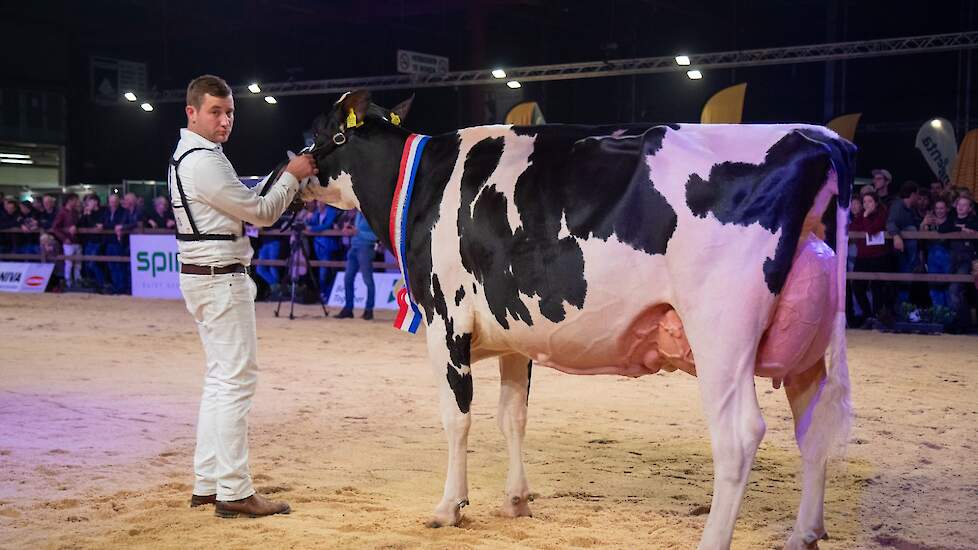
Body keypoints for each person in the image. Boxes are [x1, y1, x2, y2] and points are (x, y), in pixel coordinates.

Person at [170, 74, 316, 518]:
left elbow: (243, 203)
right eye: (216, 111)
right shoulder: (203, 160)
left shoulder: (193, 156)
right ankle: (233, 490)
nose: (225, 120)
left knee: (220, 380)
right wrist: (291, 178)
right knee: (235, 382)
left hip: (207, 276)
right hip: (220, 278)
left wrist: (280, 187)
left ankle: (209, 482)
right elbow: (259, 212)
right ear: (192, 112)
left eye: (230, 111)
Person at [849, 192, 893, 328]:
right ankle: (868, 315)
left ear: (876, 203)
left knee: (877, 288)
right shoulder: (861, 215)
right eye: (865, 202)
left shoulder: (882, 214)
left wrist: (866, 217)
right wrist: (864, 218)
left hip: (878, 256)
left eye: (870, 202)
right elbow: (853, 228)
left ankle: (877, 317)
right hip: (862, 257)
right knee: (857, 286)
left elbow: (872, 230)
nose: (866, 205)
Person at [937, 195, 978, 332]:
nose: (961, 207)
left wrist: (963, 229)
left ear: (970, 208)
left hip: (967, 259)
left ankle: (962, 323)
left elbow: (974, 228)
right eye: (959, 204)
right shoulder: (952, 219)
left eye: (964, 205)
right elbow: (942, 229)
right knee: (956, 291)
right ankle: (962, 322)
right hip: (953, 258)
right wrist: (961, 229)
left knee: (955, 289)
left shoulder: (974, 220)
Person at [336, 209, 378, 320]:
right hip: (354, 247)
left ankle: (369, 310)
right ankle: (348, 309)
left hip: (365, 248)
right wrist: (350, 231)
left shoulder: (373, 215)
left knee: (367, 280)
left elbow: (376, 236)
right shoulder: (358, 214)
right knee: (348, 278)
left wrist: (357, 232)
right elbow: (357, 231)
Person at [886, 181, 923, 307]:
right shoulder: (898, 206)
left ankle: (905, 308)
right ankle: (902, 308)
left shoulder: (911, 210)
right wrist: (896, 236)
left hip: (910, 253)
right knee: (903, 279)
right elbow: (890, 223)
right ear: (912, 194)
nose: (918, 198)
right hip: (901, 251)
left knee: (908, 279)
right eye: (917, 194)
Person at [304, 200, 341, 300]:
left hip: (328, 245)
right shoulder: (316, 212)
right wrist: (306, 220)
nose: (319, 204)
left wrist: (311, 229)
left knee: (324, 271)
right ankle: (323, 293)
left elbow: (327, 226)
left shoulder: (331, 211)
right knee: (321, 269)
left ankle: (324, 293)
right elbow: (308, 223)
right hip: (318, 244)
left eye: (321, 202)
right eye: (318, 202)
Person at [98, 193, 131, 294]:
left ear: (118, 201)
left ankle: (122, 288)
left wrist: (107, 226)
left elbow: (122, 224)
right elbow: (103, 223)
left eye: (115, 201)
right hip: (108, 242)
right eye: (111, 201)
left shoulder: (124, 212)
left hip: (119, 243)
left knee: (119, 266)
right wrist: (104, 225)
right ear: (109, 202)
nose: (113, 203)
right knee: (111, 266)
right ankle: (116, 287)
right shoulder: (106, 212)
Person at [921, 198, 952, 307]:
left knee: (948, 286)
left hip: (948, 257)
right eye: (937, 208)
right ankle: (938, 313)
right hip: (932, 257)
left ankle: (950, 316)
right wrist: (923, 223)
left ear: (947, 209)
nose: (939, 211)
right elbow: (921, 236)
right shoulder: (930, 222)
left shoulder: (951, 221)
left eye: (942, 208)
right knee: (934, 286)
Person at [51, 193, 82, 288]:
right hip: (68, 242)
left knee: (78, 263)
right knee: (69, 263)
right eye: (75, 200)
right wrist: (64, 238)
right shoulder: (62, 212)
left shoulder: (76, 212)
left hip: (77, 240)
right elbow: (55, 228)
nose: (77, 202)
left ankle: (77, 282)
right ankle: (68, 283)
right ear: (70, 201)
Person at [78, 194, 106, 290]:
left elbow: (94, 225)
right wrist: (84, 215)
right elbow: (81, 224)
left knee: (93, 263)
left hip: (98, 241)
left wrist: (89, 215)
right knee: (87, 264)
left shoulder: (102, 212)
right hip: (89, 241)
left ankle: (101, 284)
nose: (87, 204)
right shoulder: (87, 212)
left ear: (95, 202)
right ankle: (91, 284)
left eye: (89, 201)